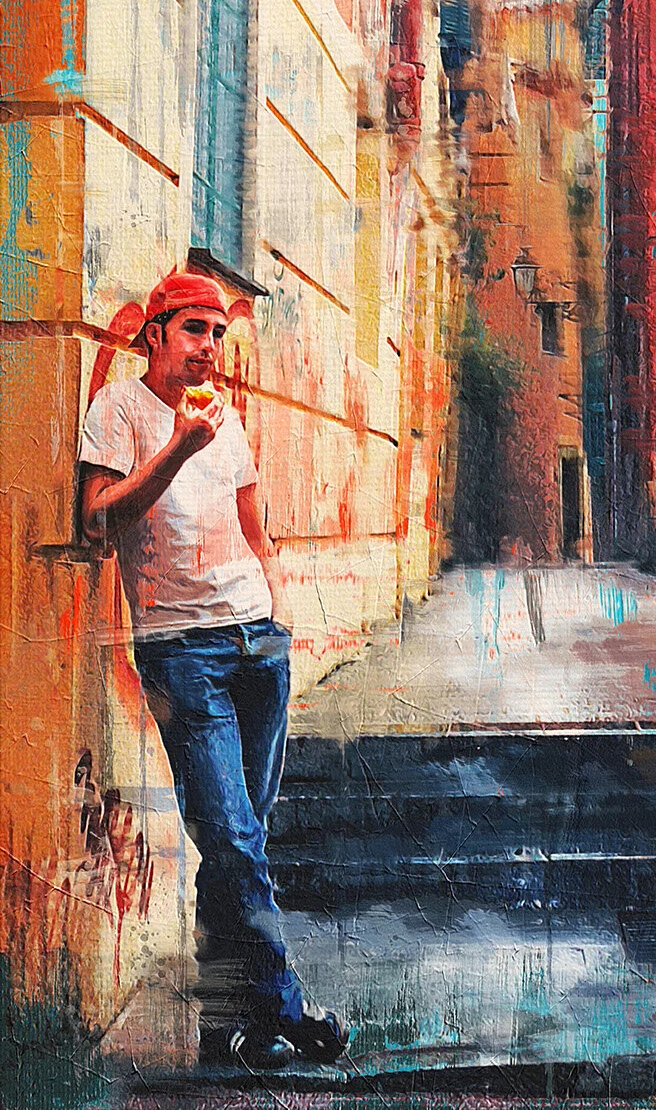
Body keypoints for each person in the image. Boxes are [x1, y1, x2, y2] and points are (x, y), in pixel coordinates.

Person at [77, 270, 348, 1069]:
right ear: (154, 334)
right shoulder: (120, 411)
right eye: (194, 330)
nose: (209, 349)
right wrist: (174, 450)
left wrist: (280, 614)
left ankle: (224, 1026)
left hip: (256, 644)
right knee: (231, 838)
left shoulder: (226, 420)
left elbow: (253, 529)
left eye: (219, 333)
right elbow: (98, 517)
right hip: (180, 648)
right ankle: (284, 1008)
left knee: (239, 843)